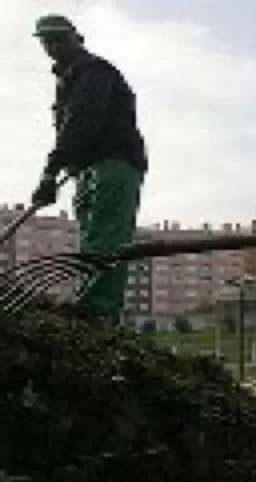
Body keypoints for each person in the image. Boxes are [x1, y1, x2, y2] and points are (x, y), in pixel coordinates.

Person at [31, 14, 147, 324]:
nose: (54, 46)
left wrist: (49, 172)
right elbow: (69, 130)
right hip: (86, 168)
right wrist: (62, 168)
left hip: (115, 162)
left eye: (60, 39)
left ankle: (99, 310)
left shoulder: (95, 72)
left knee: (107, 236)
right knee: (90, 239)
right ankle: (88, 306)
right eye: (47, 41)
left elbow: (82, 122)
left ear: (77, 38)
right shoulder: (66, 80)